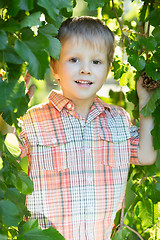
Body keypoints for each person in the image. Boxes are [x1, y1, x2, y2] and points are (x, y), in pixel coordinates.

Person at [19, 16, 157, 240]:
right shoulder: (34, 119)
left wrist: (145, 103)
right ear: (54, 66)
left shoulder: (118, 120)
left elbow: (146, 155)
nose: (85, 70)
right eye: (74, 59)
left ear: (108, 69)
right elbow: (6, 158)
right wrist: (8, 112)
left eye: (96, 62)